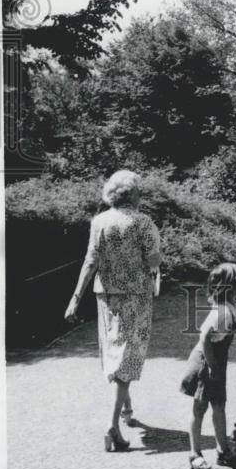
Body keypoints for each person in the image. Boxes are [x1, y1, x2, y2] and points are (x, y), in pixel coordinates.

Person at [65, 169, 161, 452]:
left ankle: (125, 410)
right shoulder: (143, 222)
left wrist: (74, 298)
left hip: (105, 296)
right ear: (133, 194)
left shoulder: (99, 221)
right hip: (137, 296)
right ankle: (112, 427)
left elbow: (89, 261)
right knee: (128, 357)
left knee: (115, 351)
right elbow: (153, 260)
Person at [180, 263, 236, 469]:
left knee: (218, 405)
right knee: (199, 408)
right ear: (231, 286)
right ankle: (195, 453)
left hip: (216, 362)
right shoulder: (223, 312)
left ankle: (222, 449)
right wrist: (211, 365)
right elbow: (205, 336)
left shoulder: (229, 306)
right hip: (206, 363)